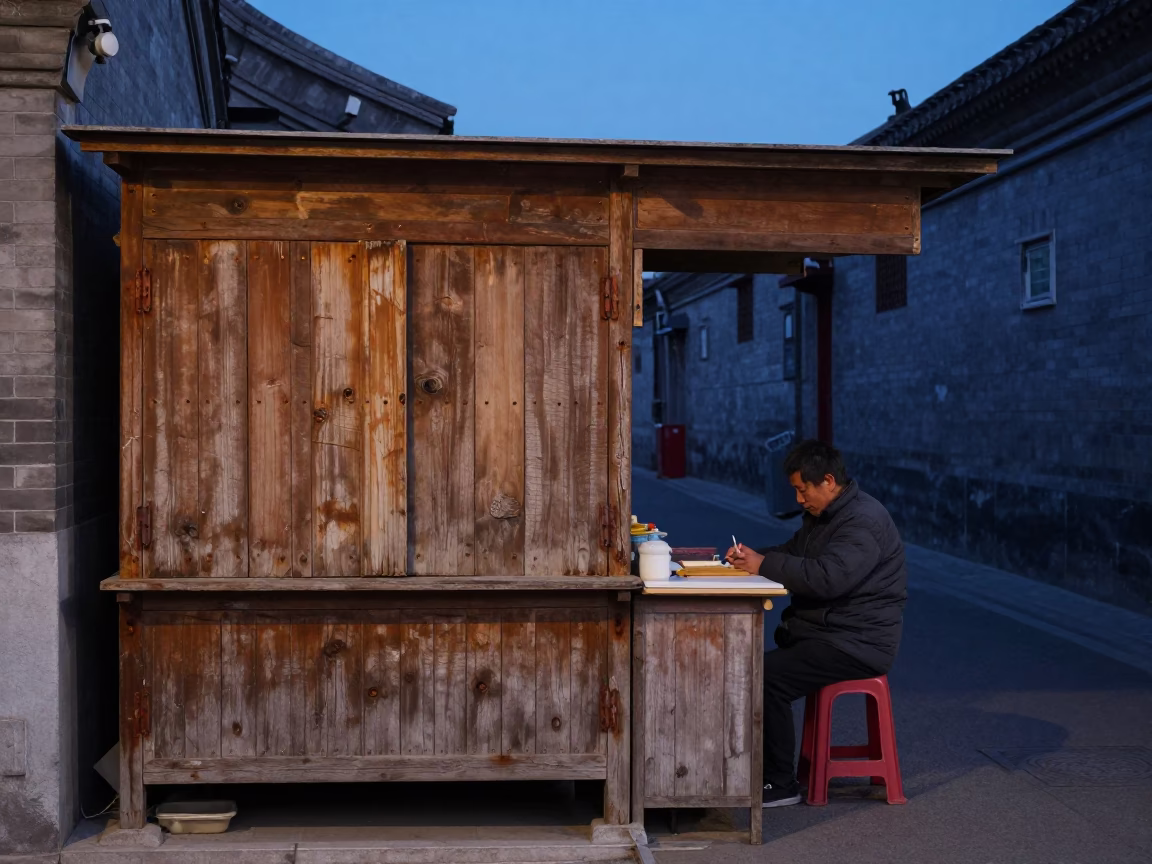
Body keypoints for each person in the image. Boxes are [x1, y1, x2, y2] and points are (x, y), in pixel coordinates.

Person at [726, 439, 907, 808]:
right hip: (829, 633)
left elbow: (828, 578)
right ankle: (760, 770)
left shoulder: (863, 520)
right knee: (756, 668)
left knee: (766, 677)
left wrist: (763, 565)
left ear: (828, 480)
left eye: (801, 489)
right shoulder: (824, 516)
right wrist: (751, 558)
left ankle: (780, 783)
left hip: (857, 642)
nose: (798, 499)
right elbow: (793, 554)